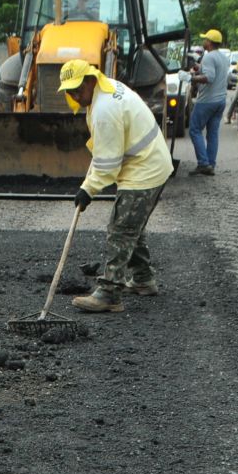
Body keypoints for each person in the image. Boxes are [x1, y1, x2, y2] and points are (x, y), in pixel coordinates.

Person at [57, 59, 174, 313]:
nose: (75, 95)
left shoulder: (104, 109)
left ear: (90, 80)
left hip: (145, 169)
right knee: (131, 226)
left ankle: (109, 293)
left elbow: (107, 165)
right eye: (70, 91)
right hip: (148, 162)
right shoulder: (106, 88)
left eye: (78, 89)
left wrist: (87, 190)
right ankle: (143, 279)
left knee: (120, 229)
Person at [187, 29, 229, 175]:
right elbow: (213, 72)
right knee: (212, 134)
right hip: (220, 101)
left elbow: (209, 77)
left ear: (209, 43)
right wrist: (198, 68)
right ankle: (210, 163)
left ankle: (203, 163)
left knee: (194, 129)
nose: (203, 42)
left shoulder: (209, 57)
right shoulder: (223, 58)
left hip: (207, 101)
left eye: (205, 39)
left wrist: (190, 78)